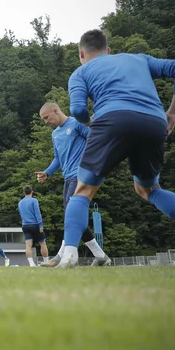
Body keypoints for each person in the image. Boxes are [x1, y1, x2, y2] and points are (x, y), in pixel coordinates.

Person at [57, 29, 175, 268]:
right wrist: (173, 113)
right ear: (108, 50)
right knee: (148, 189)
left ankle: (69, 254)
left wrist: (95, 124)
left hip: (111, 119)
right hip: (154, 122)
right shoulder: (139, 58)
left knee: (83, 192)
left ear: (81, 53)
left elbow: (78, 111)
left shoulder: (81, 72)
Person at [35, 102, 110, 267]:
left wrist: (93, 163)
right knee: (75, 218)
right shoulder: (55, 134)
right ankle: (101, 256)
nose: (46, 122)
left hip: (81, 175)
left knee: (71, 215)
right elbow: (57, 158)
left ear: (56, 110)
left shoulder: (76, 123)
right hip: (68, 178)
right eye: (43, 120)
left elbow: (94, 138)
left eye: (46, 117)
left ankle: (63, 256)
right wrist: (47, 172)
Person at [18, 185, 49, 266]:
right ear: (32, 192)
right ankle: (46, 261)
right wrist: (40, 225)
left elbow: (21, 215)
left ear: (23, 192)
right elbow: (37, 213)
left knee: (28, 245)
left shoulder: (20, 203)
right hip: (35, 224)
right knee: (42, 243)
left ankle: (31, 263)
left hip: (25, 225)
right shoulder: (34, 201)